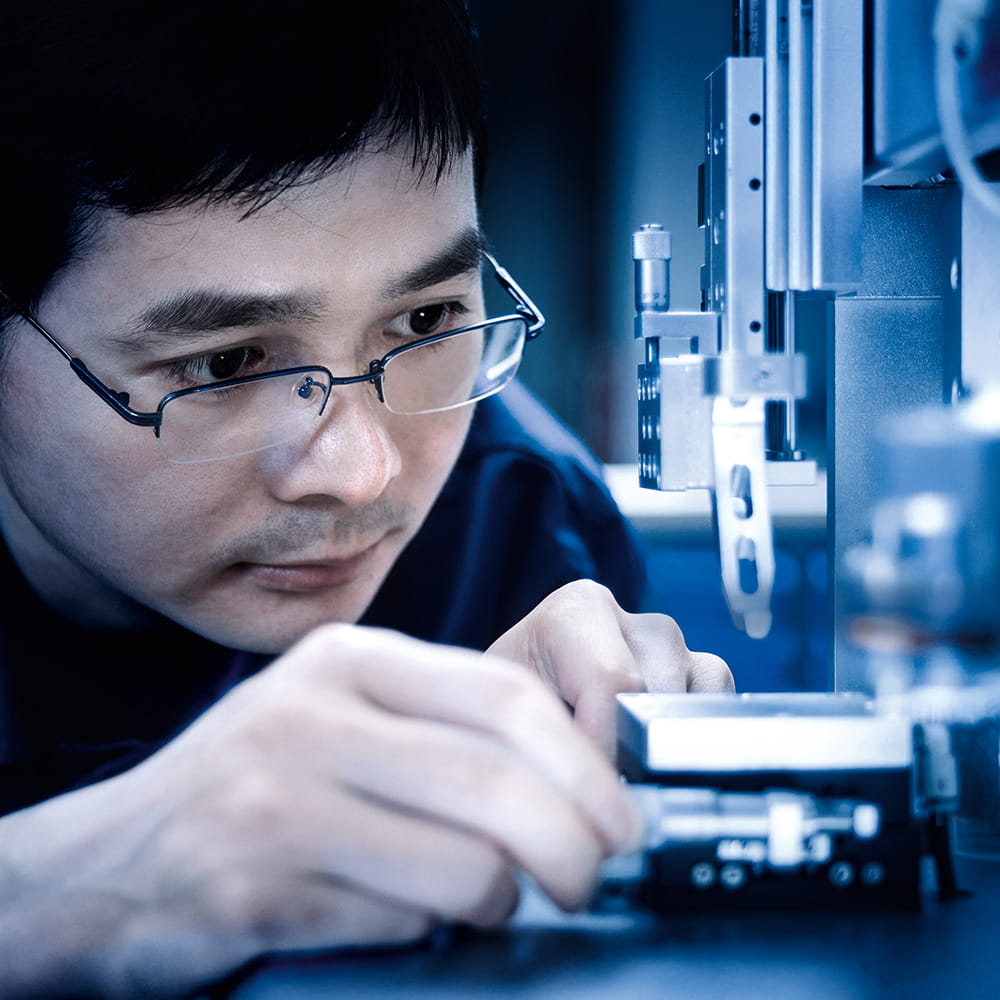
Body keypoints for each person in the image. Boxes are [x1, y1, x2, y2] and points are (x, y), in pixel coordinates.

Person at [0, 0, 732, 995]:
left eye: (426, 316)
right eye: (226, 362)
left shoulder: (511, 519)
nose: (359, 472)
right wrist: (95, 890)